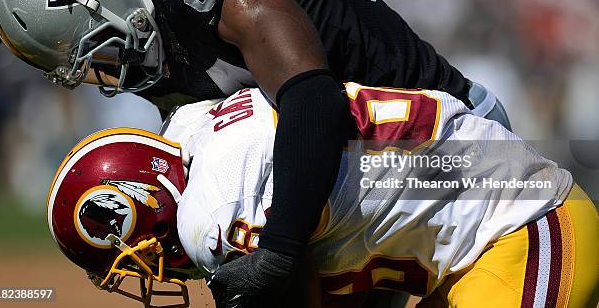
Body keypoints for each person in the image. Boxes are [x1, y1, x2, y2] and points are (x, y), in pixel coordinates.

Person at [0, 0, 511, 303]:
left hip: (453, 149)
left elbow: (311, 98)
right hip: (366, 181)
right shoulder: (152, 30)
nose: (112, 72)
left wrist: (278, 249)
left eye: (102, 47)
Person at [47, 83, 597, 308]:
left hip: (523, 226)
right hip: (475, 253)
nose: (148, 269)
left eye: (129, 254)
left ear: (139, 202)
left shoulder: (210, 213)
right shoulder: (194, 128)